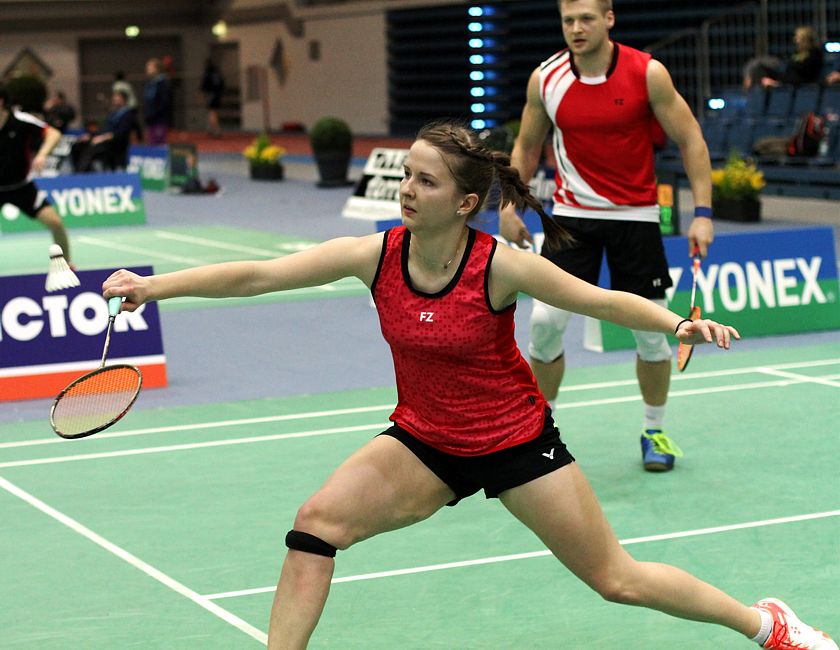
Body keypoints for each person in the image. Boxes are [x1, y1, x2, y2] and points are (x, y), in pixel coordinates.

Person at [101, 121, 836, 650]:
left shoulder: (498, 265)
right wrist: (155, 286)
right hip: (426, 440)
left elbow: (603, 302)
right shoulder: (376, 254)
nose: (407, 189)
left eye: (425, 180)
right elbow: (260, 276)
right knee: (317, 521)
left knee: (617, 579)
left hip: (516, 442)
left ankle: (765, 623)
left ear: (463, 202)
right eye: (406, 175)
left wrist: (678, 323)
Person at [499, 0, 715, 472]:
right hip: (571, 217)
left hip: (636, 218)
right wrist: (509, 204)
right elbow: (528, 145)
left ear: (609, 19)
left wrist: (702, 212)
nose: (575, 29)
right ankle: (538, 430)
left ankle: (654, 430)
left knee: (654, 336)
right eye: (567, 21)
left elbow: (691, 138)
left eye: (586, 19)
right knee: (542, 324)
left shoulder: (647, 73)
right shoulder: (546, 79)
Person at [0, 82, 72, 264]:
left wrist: (42, 154)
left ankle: (66, 266)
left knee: (55, 223)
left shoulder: (21, 120)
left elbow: (54, 134)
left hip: (22, 187)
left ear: (1, 101)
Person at [70, 90, 136, 172]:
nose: (114, 100)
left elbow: (119, 133)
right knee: (77, 145)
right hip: (103, 140)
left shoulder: (127, 114)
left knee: (91, 148)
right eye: (114, 98)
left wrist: (102, 138)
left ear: (123, 99)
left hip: (114, 143)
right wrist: (90, 135)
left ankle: (82, 173)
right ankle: (82, 171)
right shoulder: (113, 113)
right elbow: (103, 130)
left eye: (117, 98)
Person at [745, 26, 824, 89]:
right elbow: (790, 63)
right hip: (787, 75)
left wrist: (792, 64)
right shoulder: (797, 52)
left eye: (798, 37)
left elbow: (806, 68)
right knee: (759, 67)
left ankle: (777, 85)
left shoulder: (815, 52)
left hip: (801, 79)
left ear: (805, 38)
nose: (795, 39)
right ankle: (769, 83)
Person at [142, 57, 171, 146]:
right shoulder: (150, 84)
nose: (146, 69)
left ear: (157, 69)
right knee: (151, 144)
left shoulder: (162, 84)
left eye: (149, 67)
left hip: (159, 120)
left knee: (158, 145)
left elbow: (164, 103)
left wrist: (154, 114)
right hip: (150, 120)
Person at [200, 58, 224, 137]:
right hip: (218, 94)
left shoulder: (208, 73)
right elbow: (222, 83)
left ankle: (216, 130)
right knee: (214, 112)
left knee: (212, 112)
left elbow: (204, 85)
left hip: (212, 95)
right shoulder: (217, 72)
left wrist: (202, 95)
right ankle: (211, 128)